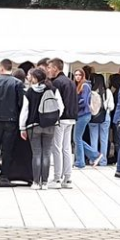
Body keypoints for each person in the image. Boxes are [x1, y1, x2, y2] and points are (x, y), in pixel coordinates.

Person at [20, 67, 61, 188]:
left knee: (37, 154)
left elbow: (25, 111)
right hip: (50, 126)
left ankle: (36, 182)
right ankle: (45, 182)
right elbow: (61, 107)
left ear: (35, 78)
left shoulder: (29, 92)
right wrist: (54, 119)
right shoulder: (53, 90)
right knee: (47, 153)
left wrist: (22, 127)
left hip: (34, 126)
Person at [48, 59, 78, 189]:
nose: (48, 70)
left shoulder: (57, 83)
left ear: (55, 68)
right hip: (71, 118)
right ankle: (68, 177)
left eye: (50, 67)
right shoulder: (71, 82)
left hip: (61, 118)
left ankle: (57, 178)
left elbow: (57, 102)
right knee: (66, 148)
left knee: (57, 148)